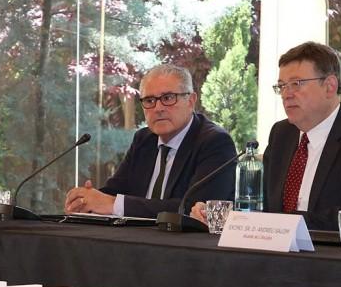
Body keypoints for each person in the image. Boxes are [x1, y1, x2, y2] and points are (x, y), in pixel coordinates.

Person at [193, 41, 341, 230]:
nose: (286, 94)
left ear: (329, 86)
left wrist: (283, 222)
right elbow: (259, 202)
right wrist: (219, 212)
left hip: (328, 251)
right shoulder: (282, 134)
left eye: (296, 84)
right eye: (282, 86)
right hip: (272, 248)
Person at [64, 64, 236, 218]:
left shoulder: (215, 142)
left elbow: (195, 209)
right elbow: (114, 192)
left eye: (168, 98)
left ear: (191, 101)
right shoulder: (144, 139)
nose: (158, 108)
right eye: (149, 100)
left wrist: (111, 204)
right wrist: (87, 200)